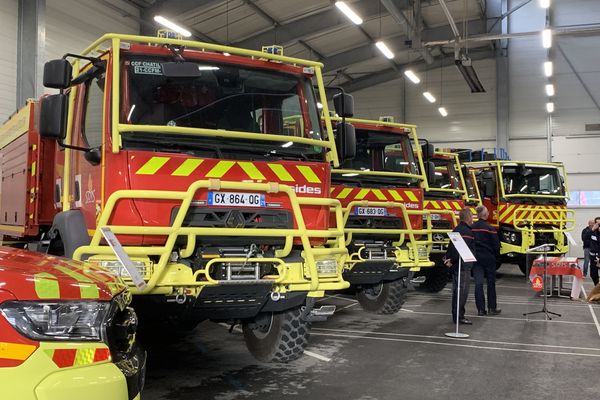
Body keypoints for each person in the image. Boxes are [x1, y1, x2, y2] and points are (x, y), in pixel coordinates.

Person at [444, 208, 475, 325]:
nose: (472, 218)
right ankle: (459, 316)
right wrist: (453, 260)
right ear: (467, 217)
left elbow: (451, 247)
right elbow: (462, 249)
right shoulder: (466, 231)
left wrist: (449, 259)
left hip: (458, 265)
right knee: (462, 292)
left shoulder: (457, 229)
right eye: (471, 216)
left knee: (458, 292)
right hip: (462, 265)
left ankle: (457, 315)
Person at [471, 205, 501, 316]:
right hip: (489, 258)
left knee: (478, 284)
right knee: (490, 283)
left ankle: (481, 310)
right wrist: (496, 257)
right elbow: (496, 245)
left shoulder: (472, 227)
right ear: (485, 214)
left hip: (476, 259)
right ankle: (492, 308)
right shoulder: (490, 228)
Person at [589, 217, 600, 286]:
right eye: (597, 224)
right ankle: (597, 286)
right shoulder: (591, 232)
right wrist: (592, 229)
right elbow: (585, 238)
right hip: (593, 257)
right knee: (593, 274)